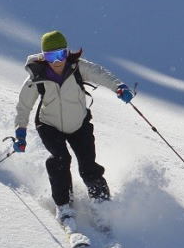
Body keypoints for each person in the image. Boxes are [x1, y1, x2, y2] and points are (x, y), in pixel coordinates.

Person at [13, 30, 134, 224]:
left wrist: (119, 87)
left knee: (88, 166)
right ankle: (64, 206)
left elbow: (101, 74)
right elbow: (23, 105)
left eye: (61, 54)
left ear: (67, 53)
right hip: (49, 124)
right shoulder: (36, 77)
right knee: (60, 160)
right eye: (51, 56)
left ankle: (101, 204)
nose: (57, 61)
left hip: (79, 124)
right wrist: (20, 132)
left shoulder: (77, 67)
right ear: (44, 57)